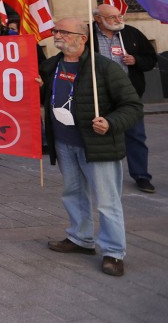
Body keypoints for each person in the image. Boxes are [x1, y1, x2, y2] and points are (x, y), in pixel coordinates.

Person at [43, 17, 142, 277]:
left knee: (107, 202)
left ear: (82, 38)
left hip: (98, 146)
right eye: (56, 31)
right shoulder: (52, 65)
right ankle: (80, 238)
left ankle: (113, 252)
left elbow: (133, 106)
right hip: (65, 144)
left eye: (63, 31)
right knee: (73, 194)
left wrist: (110, 123)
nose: (57, 35)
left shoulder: (104, 68)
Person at [91, 4, 157, 194]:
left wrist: (136, 60)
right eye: (111, 17)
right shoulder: (87, 35)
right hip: (100, 95)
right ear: (98, 19)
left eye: (119, 16)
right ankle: (104, 178)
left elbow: (150, 58)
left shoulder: (131, 33)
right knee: (101, 137)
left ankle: (141, 176)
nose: (118, 20)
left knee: (135, 136)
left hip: (129, 95)